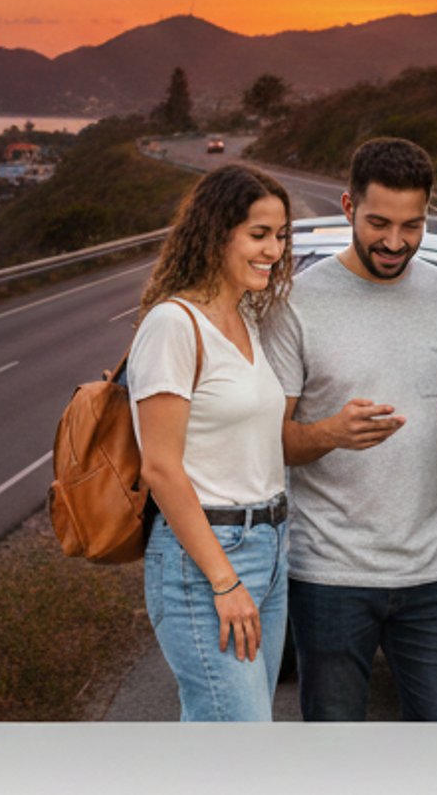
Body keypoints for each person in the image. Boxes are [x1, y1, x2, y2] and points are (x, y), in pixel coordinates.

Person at [261, 137, 437, 721]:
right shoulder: (296, 303)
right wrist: (330, 432)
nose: (394, 241)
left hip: (436, 571)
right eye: (379, 221)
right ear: (347, 206)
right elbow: (269, 442)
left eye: (411, 225)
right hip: (329, 573)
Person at [128, 163, 295, 721]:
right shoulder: (174, 324)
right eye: (258, 235)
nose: (273, 249)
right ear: (216, 232)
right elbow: (161, 469)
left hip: (270, 544)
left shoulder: (247, 317)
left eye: (280, 235)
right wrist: (224, 581)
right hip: (206, 558)